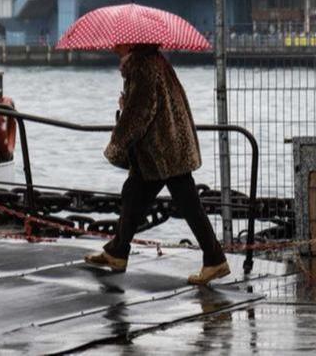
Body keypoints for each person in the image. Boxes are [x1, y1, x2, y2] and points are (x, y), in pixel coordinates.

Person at [83, 43, 230, 286]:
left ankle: (214, 259)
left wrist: (117, 139)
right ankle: (118, 251)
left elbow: (139, 114)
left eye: (116, 43)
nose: (111, 47)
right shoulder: (152, 61)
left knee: (187, 203)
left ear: (129, 42)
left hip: (163, 151)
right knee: (134, 193)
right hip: (164, 148)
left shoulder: (142, 67)